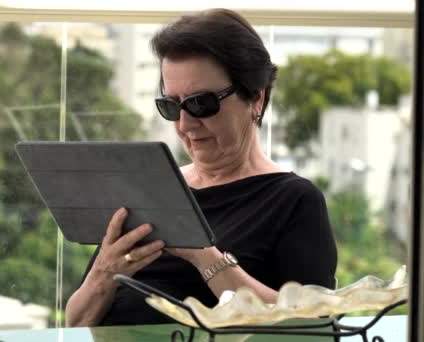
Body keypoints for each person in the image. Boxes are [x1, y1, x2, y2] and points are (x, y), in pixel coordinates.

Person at [65, 8, 337, 327]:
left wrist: (204, 256)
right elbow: (74, 324)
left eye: (200, 104)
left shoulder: (294, 201)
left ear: (256, 99)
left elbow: (313, 326)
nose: (185, 124)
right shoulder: (151, 188)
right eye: (171, 106)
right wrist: (104, 274)